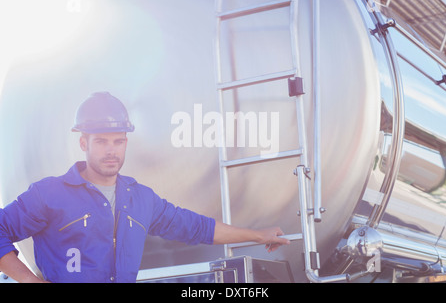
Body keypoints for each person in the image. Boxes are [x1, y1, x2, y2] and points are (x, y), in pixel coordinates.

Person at [0, 92, 289, 283]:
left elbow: (197, 228)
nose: (111, 150)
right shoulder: (49, 194)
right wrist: (27, 279)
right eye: (101, 141)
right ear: (83, 143)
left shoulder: (140, 199)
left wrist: (257, 234)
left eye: (118, 141)